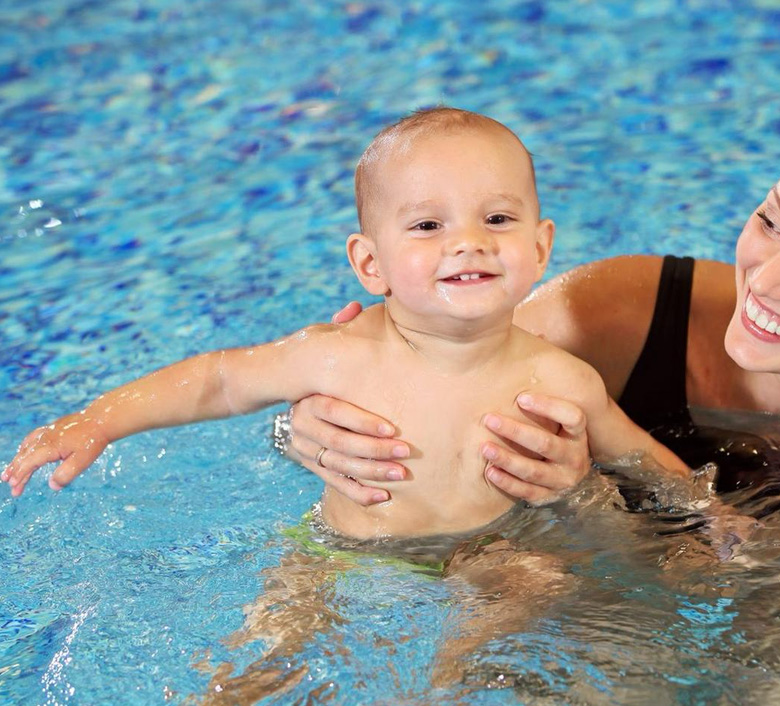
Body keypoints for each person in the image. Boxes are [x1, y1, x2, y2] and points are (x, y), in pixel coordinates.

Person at [283, 103, 780, 514]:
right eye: (771, 222)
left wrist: (584, 497)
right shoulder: (622, 311)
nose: (766, 281)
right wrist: (311, 429)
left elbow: (733, 592)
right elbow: (417, 374)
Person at [2, 107, 690, 541]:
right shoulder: (337, 354)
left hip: (490, 558)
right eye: (428, 225)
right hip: (340, 554)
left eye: (498, 218)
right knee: (264, 651)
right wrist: (97, 420)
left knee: (528, 589)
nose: (469, 242)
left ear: (540, 248)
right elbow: (217, 380)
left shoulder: (560, 379)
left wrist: (712, 520)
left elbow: (641, 459)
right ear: (370, 264)